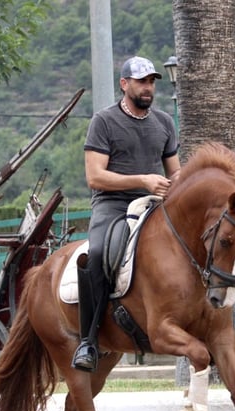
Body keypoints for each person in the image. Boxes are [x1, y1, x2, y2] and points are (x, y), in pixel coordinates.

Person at [72, 55, 181, 372]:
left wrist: (180, 187)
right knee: (96, 254)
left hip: (155, 204)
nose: (148, 88)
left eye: (151, 82)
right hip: (113, 205)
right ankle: (88, 341)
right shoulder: (104, 122)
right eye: (141, 81)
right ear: (124, 84)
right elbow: (95, 177)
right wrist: (142, 181)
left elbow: (175, 172)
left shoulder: (164, 123)